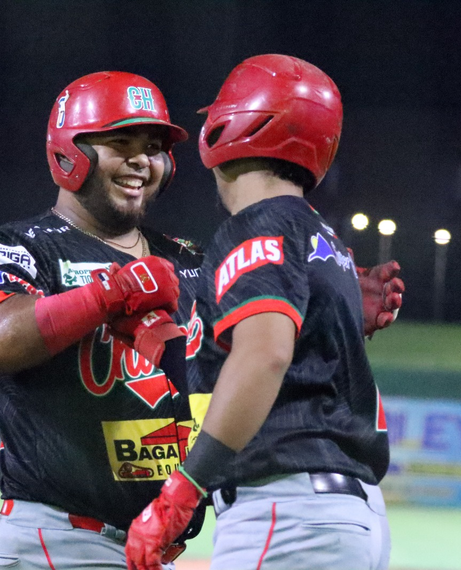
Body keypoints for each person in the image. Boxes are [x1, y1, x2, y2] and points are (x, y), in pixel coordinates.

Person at [126, 54, 399, 570]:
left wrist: (182, 488)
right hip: (342, 516)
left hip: (288, 515)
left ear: (232, 123)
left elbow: (265, 357)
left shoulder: (257, 224)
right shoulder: (322, 237)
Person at [0, 70, 204, 570]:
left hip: (152, 548)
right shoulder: (24, 245)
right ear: (71, 153)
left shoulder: (186, 258)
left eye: (154, 146)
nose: (142, 158)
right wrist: (110, 293)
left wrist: (340, 309)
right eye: (120, 142)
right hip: (61, 543)